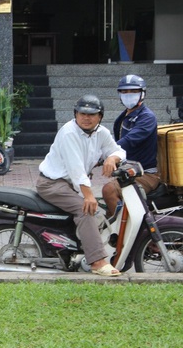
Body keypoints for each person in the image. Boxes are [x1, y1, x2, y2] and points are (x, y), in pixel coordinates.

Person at [36, 94, 126, 277]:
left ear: (100, 116)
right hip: (52, 184)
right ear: (75, 114)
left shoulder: (101, 133)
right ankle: (98, 262)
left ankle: (78, 250)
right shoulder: (69, 132)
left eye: (92, 114)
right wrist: (89, 195)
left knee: (100, 214)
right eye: (82, 113)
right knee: (86, 210)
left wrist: (112, 158)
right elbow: (76, 169)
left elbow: (118, 150)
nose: (86, 118)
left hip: (71, 185)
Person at [102, 75, 160, 218]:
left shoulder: (147, 117)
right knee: (109, 213)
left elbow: (129, 141)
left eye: (133, 91)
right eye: (124, 92)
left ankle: (132, 233)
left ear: (142, 94)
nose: (128, 95)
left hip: (146, 173)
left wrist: (108, 154)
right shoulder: (123, 117)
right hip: (130, 171)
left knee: (109, 190)